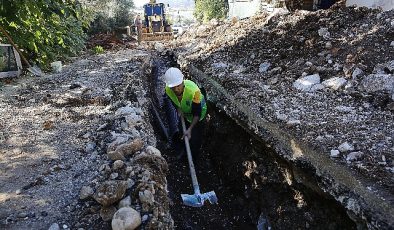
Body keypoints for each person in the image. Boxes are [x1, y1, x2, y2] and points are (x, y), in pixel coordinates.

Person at [162, 67, 207, 162]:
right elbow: (172, 101)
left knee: (195, 139)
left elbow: (197, 113)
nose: (176, 89)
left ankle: (193, 160)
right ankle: (184, 151)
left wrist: (190, 129)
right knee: (182, 133)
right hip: (185, 113)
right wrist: (178, 108)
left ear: (182, 81)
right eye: (173, 87)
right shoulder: (168, 89)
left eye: (178, 85)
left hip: (198, 115)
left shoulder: (194, 91)